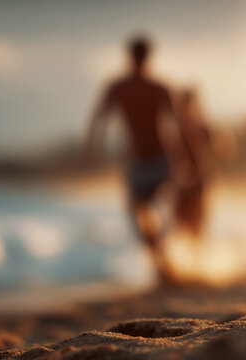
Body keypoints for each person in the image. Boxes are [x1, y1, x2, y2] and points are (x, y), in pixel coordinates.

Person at [84, 35, 182, 283]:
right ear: (148, 56)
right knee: (146, 216)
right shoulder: (151, 87)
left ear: (131, 56)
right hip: (151, 159)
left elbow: (98, 120)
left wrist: (92, 149)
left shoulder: (126, 87)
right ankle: (162, 265)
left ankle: (163, 263)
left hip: (149, 160)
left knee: (148, 215)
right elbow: (179, 125)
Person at [172, 89, 214, 239]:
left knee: (196, 223)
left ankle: (196, 255)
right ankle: (184, 255)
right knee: (180, 221)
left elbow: (225, 147)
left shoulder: (202, 127)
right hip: (181, 183)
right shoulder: (175, 129)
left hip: (198, 181)